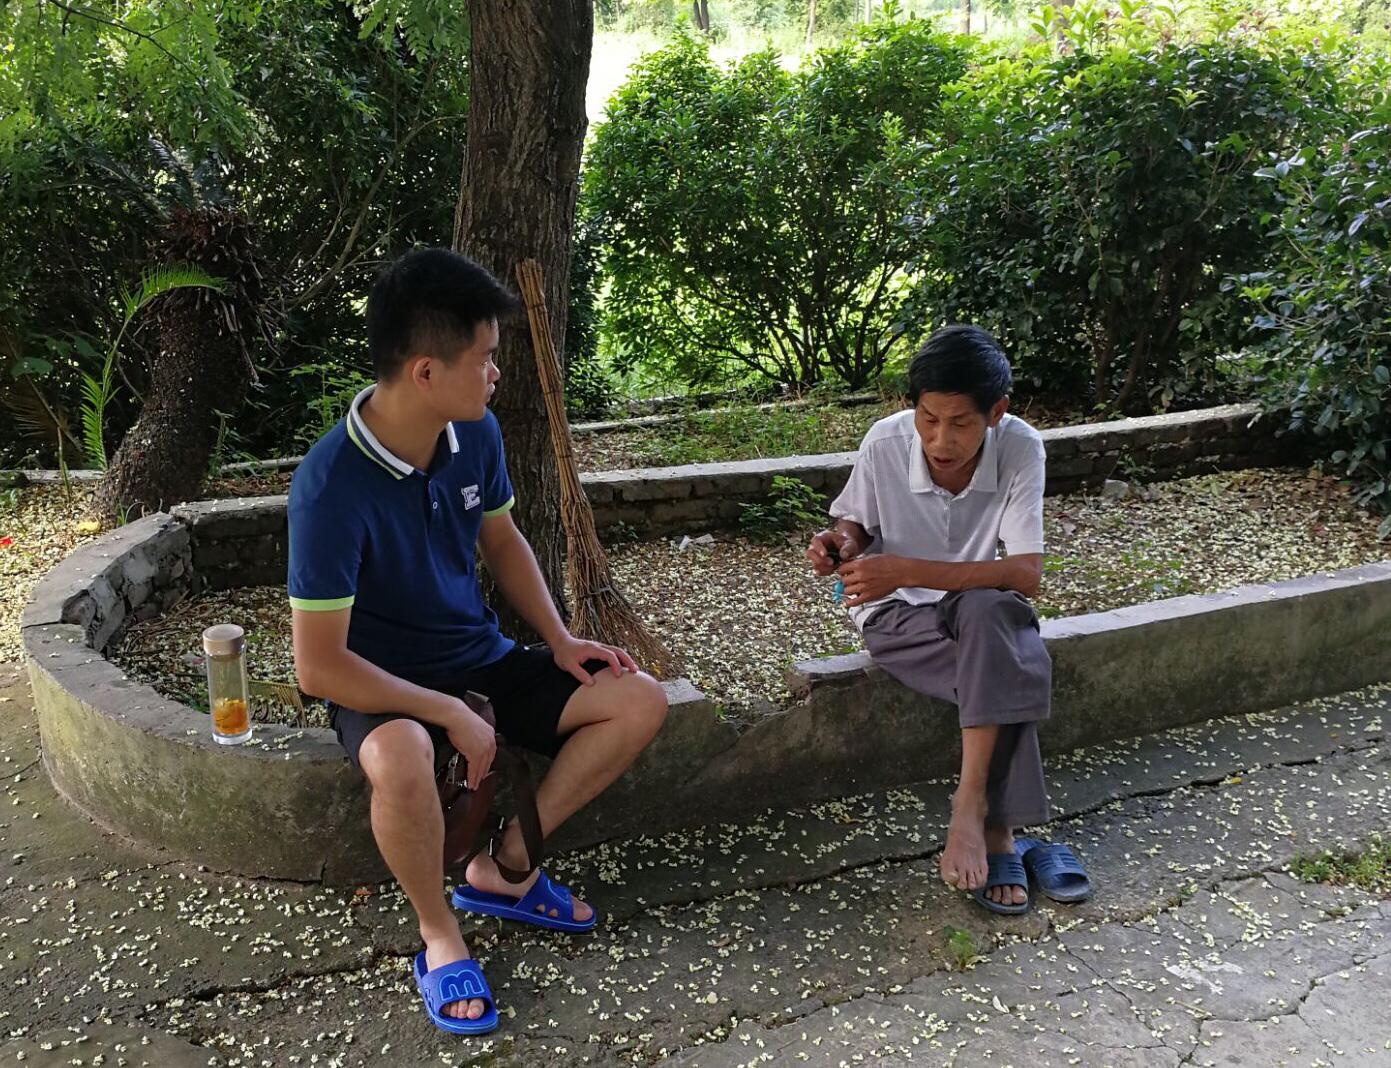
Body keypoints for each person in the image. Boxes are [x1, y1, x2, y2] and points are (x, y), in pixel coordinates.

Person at [287, 248, 668, 1033]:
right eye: (486, 358)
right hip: (378, 684)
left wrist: (558, 638)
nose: (496, 374)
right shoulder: (329, 487)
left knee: (637, 699)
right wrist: (446, 712)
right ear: (425, 372)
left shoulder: (475, 432)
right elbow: (318, 667)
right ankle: (438, 934)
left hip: (479, 657)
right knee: (401, 754)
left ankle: (506, 869)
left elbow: (500, 539)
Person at [806, 324, 1071, 915]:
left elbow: (1025, 573)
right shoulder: (885, 441)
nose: (939, 439)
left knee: (991, 614)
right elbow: (855, 522)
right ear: (912, 408)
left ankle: (970, 806)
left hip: (979, 611)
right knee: (1006, 661)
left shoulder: (1021, 447)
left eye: (960, 423)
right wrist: (842, 542)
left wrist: (905, 567)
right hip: (897, 616)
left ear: (996, 413)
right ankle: (1002, 832)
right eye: (927, 418)